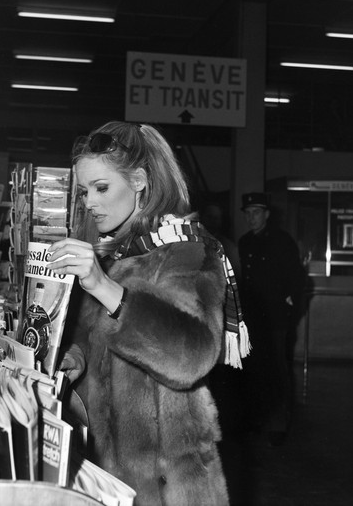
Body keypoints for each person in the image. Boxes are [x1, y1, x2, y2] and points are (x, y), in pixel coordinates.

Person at [46, 121, 230, 506]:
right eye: (83, 191)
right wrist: (76, 357)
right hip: (110, 476)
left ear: (140, 181)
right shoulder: (113, 252)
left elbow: (192, 357)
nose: (89, 202)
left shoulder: (186, 252)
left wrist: (104, 287)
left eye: (101, 188)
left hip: (170, 485)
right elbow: (88, 332)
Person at [238, 192, 304, 446]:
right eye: (248, 213)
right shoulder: (244, 243)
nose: (251, 217)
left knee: (277, 369)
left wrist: (290, 314)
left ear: (266, 215)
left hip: (275, 320)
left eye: (256, 212)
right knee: (254, 370)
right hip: (252, 319)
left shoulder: (281, 241)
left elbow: (296, 281)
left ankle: (278, 425)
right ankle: (257, 419)